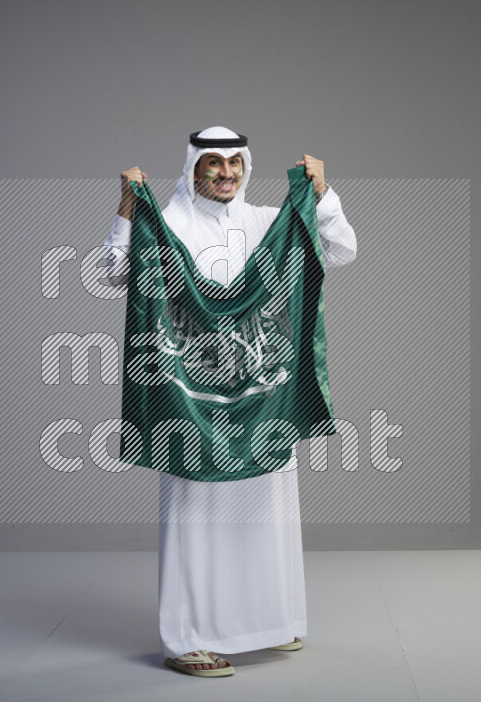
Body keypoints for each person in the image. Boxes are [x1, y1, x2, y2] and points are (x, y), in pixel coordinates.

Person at [102, 126, 357, 677]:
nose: (226, 174)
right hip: (191, 402)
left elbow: (340, 250)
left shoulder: (269, 222)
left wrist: (321, 195)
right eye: (212, 163)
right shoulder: (166, 224)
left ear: (246, 166)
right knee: (198, 520)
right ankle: (187, 639)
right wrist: (127, 209)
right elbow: (113, 273)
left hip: (264, 396)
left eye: (234, 163)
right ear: (192, 168)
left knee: (268, 513)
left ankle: (268, 621)